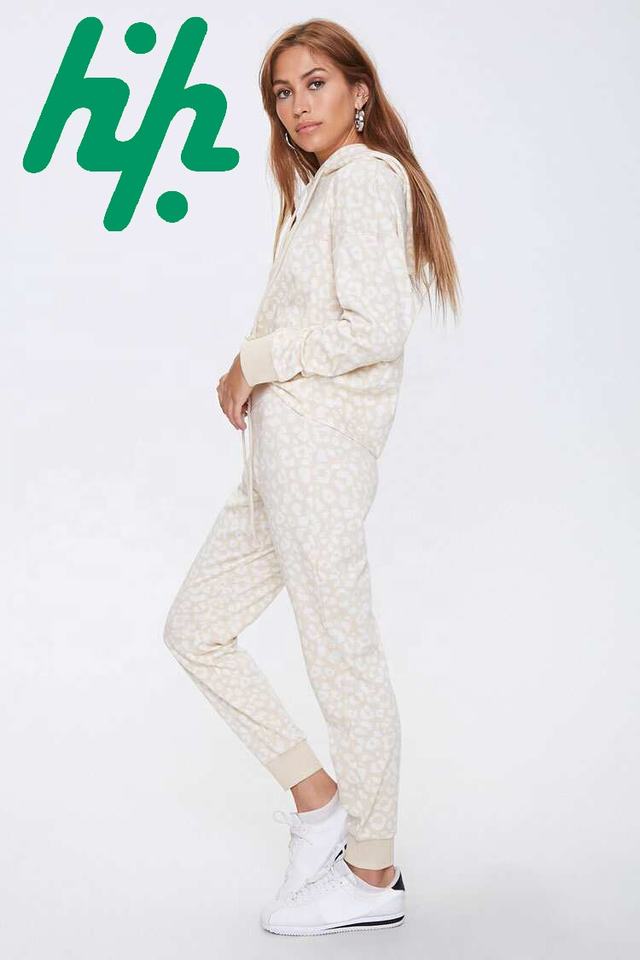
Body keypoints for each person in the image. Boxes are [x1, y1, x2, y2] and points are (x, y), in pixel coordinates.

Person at [163, 17, 460, 937]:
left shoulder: (365, 179)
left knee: (342, 652)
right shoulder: (319, 192)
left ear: (360, 92)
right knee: (196, 629)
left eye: (316, 83)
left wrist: (255, 359)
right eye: (283, 94)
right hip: (276, 465)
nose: (297, 106)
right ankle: (318, 801)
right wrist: (256, 376)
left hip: (319, 457)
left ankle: (372, 872)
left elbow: (376, 328)